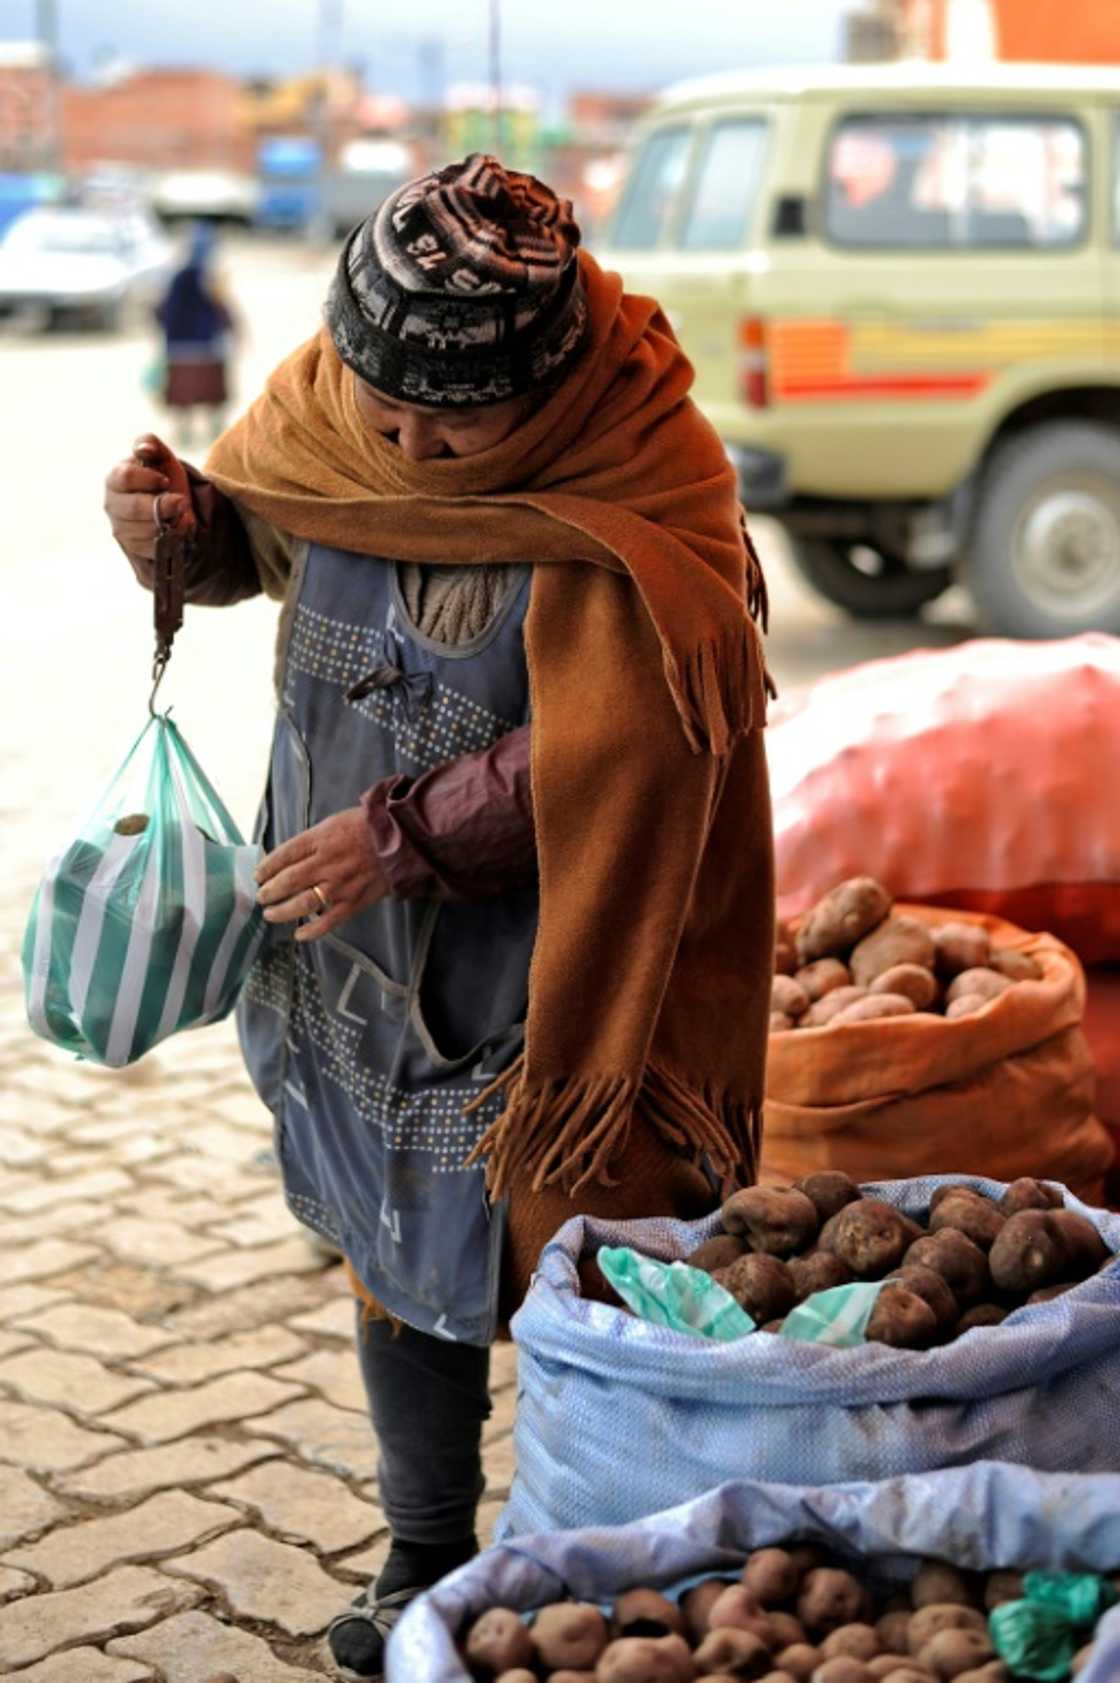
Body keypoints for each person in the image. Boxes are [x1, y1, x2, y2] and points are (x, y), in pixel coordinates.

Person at [103, 154, 775, 1680]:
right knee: (385, 1231)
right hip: (355, 944)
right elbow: (265, 534)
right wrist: (176, 527)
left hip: (571, 958)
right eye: (384, 412)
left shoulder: (647, 463)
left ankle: (598, 1542)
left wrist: (409, 831)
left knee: (574, 1249)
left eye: (447, 429)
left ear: (540, 395)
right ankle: (425, 1537)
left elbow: (650, 737)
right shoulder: (343, 390)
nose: (402, 444)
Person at [154, 220, 236, 448]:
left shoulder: (174, 277)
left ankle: (185, 432)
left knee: (184, 393)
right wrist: (234, 330)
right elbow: (223, 308)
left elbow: (162, 311)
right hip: (208, 347)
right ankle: (214, 431)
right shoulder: (210, 278)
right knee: (210, 391)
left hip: (180, 347)